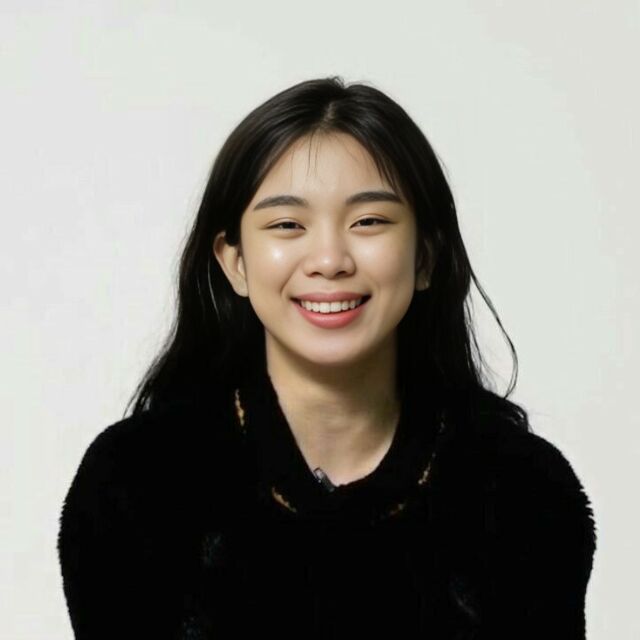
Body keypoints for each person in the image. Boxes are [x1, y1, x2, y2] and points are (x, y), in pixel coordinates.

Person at [57, 76, 597, 639]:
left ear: (425, 257)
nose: (330, 259)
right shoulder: (137, 482)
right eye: (287, 225)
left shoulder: (522, 491)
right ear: (235, 262)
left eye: (369, 222)